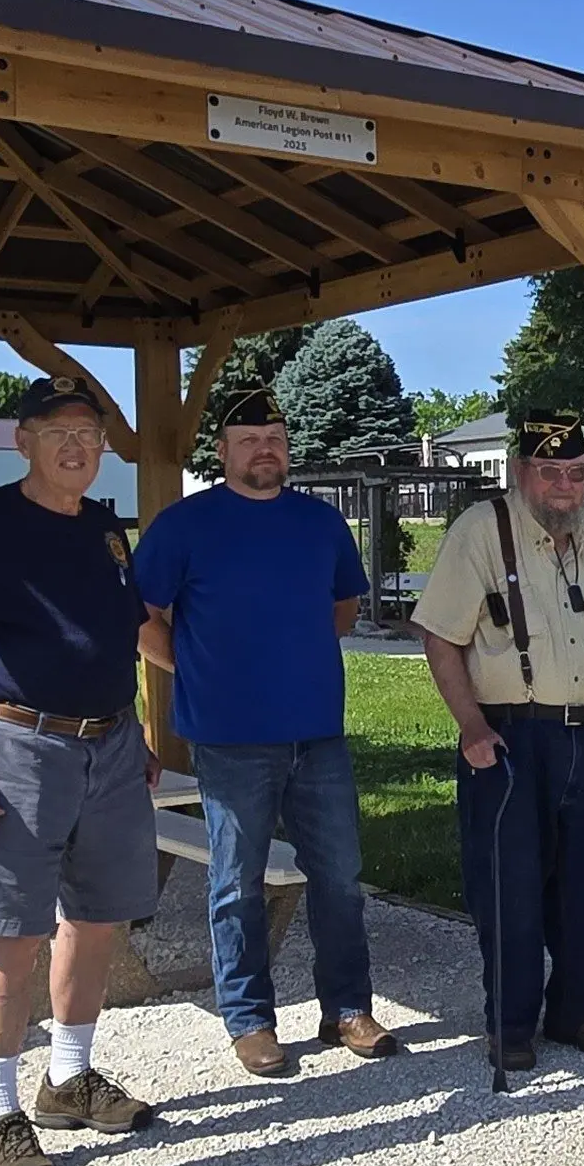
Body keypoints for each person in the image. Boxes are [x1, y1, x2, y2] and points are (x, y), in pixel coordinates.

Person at [0, 375, 159, 1166]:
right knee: (10, 941)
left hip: (111, 747)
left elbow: (130, 633)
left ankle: (69, 1079)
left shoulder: (101, 529)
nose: (77, 447)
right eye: (58, 431)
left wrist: (147, 728)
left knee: (95, 922)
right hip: (18, 747)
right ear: (23, 441)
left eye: (88, 433)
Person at [134, 384, 404, 1080]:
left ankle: (346, 1005)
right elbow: (141, 616)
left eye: (276, 439)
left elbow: (344, 605)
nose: (265, 450)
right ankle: (249, 1018)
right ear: (222, 451)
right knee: (237, 881)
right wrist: (192, 668)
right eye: (250, 440)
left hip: (316, 731)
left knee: (339, 876)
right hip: (228, 735)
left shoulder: (319, 523)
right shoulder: (183, 524)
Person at [414, 411, 584, 1067]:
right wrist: (471, 727)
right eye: (550, 471)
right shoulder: (481, 531)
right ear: (521, 471)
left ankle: (580, 1011)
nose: (564, 485)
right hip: (509, 736)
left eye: (576, 472)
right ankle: (511, 1022)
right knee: (509, 884)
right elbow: (440, 636)